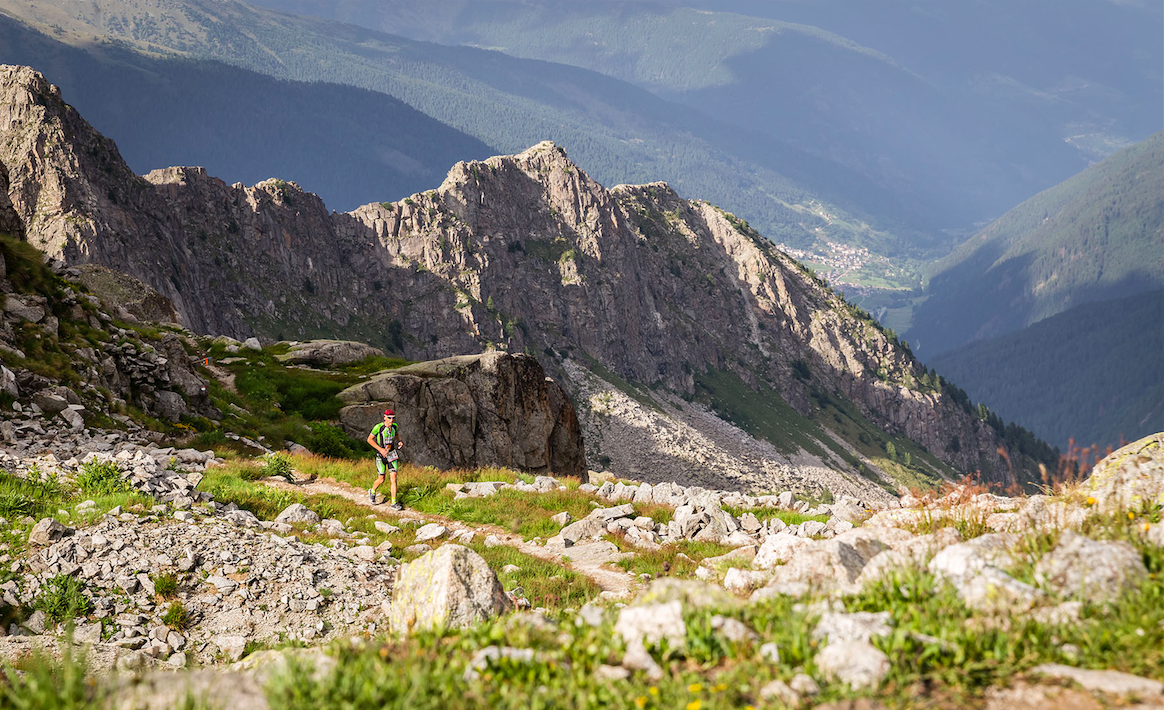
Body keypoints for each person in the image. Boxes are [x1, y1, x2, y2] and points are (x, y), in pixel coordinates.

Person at [367, 408, 404, 509]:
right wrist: (380, 449)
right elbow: (369, 439)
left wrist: (399, 441)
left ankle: (393, 502)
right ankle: (372, 491)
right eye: (389, 418)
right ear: (384, 417)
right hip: (381, 456)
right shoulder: (378, 427)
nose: (391, 420)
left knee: (394, 477)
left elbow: (397, 433)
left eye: (393, 418)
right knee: (381, 479)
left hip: (391, 454)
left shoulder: (395, 426)